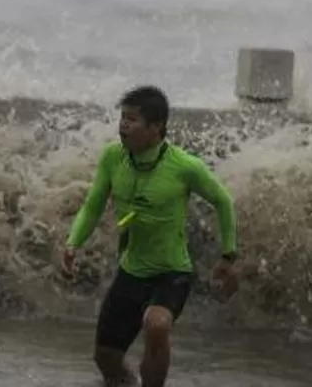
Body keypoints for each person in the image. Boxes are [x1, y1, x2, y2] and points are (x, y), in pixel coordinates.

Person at [60, 85, 238, 387]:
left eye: (132, 119)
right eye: (122, 118)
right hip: (131, 271)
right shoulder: (113, 158)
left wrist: (228, 256)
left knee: (156, 325)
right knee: (106, 358)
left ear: (156, 127)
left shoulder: (184, 167)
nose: (123, 125)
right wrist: (73, 243)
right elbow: (92, 206)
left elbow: (223, 201)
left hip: (172, 272)